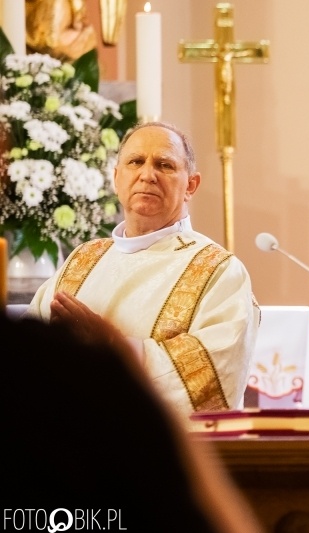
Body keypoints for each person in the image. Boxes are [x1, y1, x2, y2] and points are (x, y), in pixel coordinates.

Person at [26, 121, 260, 417]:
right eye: (136, 161)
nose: (147, 175)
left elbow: (215, 377)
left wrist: (112, 346)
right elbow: (25, 358)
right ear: (116, 178)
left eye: (164, 165)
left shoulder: (218, 271)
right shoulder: (82, 260)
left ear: (191, 185)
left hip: (152, 454)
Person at [1, 309, 264, 533]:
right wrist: (123, 362)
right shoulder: (78, 263)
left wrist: (123, 352)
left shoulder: (219, 270)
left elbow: (217, 359)